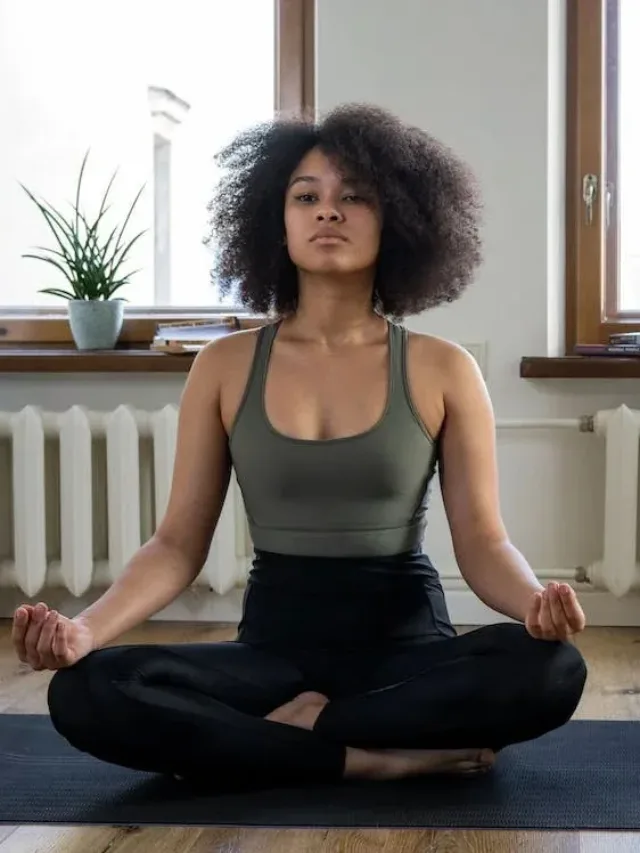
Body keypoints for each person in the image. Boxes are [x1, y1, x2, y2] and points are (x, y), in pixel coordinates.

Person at [12, 104, 587, 791]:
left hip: (405, 651)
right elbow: (175, 545)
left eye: (354, 197)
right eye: (306, 196)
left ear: (398, 217)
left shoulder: (442, 367)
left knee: (553, 670)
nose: (328, 212)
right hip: (272, 653)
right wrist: (84, 629)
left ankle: (296, 733)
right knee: (89, 688)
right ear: (274, 223)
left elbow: (484, 542)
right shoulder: (223, 366)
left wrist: (534, 604)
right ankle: (360, 752)